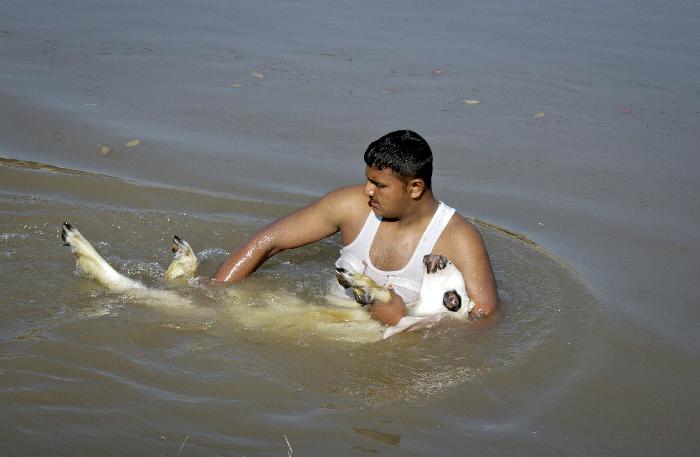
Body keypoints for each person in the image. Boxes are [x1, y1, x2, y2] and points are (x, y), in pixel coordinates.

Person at [213, 130, 498, 325]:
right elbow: (267, 241)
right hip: (315, 321)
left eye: (379, 185)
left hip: (391, 344)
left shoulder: (459, 237)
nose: (367, 191)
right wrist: (215, 291)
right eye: (367, 180)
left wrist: (410, 326)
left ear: (415, 188)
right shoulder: (350, 206)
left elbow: (484, 320)